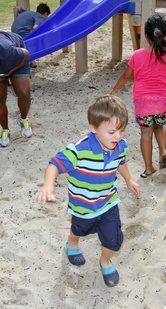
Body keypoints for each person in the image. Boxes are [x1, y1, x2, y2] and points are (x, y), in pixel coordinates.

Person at [34, 95, 141, 287]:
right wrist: (48, 185)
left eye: (122, 131)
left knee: (113, 240)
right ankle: (72, 243)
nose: (118, 136)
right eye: (112, 132)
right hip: (83, 205)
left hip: (108, 202)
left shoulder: (120, 146)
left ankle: (105, 261)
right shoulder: (78, 150)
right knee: (79, 229)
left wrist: (129, 178)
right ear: (93, 128)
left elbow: (121, 163)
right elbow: (54, 164)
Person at [111, 14, 166, 178]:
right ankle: (163, 152)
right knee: (160, 126)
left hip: (143, 104)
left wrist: (114, 91)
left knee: (146, 134)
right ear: (165, 34)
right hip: (163, 104)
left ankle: (149, 168)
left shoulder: (137, 55)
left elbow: (125, 77)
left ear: (146, 35)